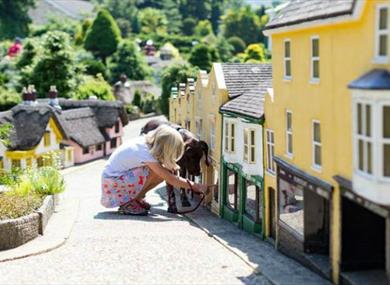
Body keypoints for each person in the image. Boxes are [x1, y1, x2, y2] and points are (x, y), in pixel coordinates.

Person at [101, 124, 209, 215]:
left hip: (113, 181)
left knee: (162, 171)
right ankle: (129, 203)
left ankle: (135, 199)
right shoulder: (145, 153)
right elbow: (170, 179)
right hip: (112, 185)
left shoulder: (145, 143)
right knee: (158, 172)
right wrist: (197, 186)